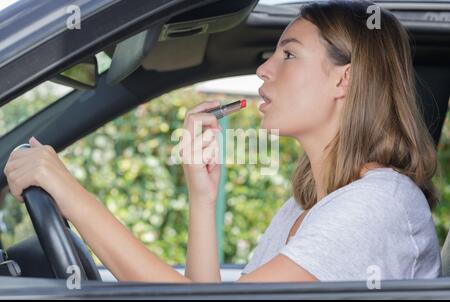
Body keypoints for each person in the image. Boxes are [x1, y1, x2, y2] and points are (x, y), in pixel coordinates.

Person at [3, 0, 442, 282]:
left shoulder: (377, 204)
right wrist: (202, 197)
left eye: (288, 54)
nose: (264, 70)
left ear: (344, 79)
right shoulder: (306, 207)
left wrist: (71, 194)